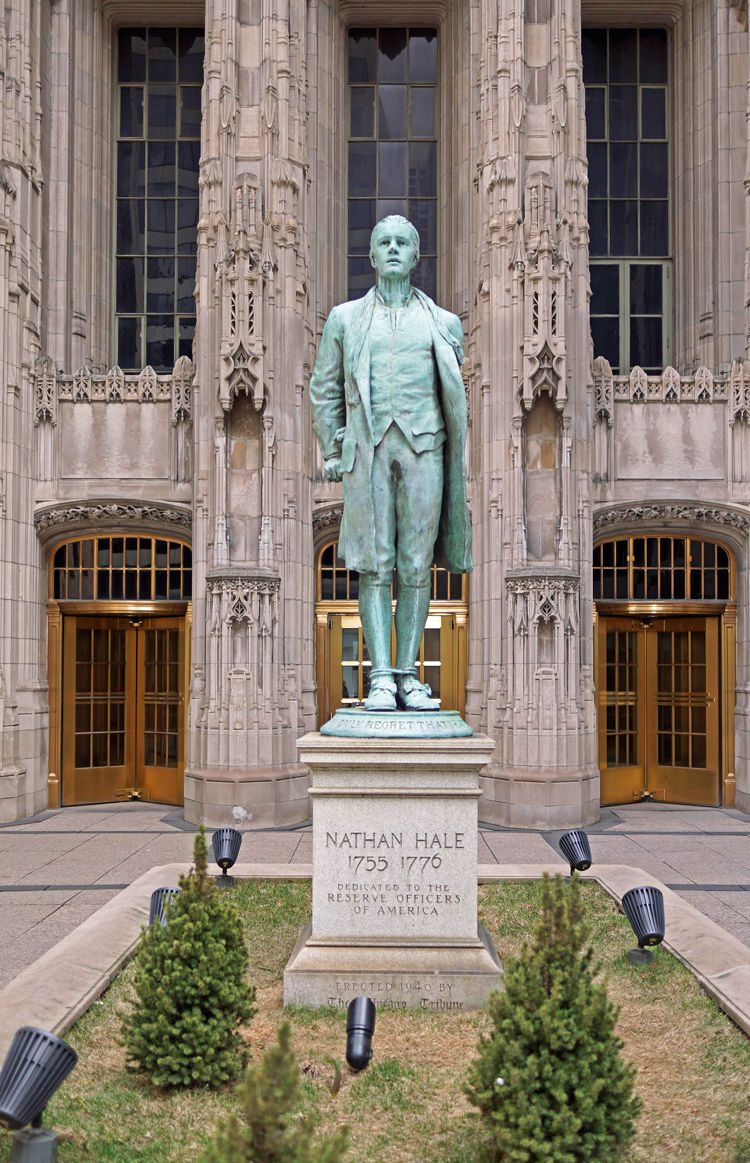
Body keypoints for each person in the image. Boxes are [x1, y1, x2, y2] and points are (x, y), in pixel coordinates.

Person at [309, 215, 472, 711]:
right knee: (375, 565)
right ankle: (380, 676)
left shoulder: (444, 323)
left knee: (417, 567)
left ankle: (407, 675)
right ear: (373, 256)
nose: (394, 249)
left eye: (404, 242)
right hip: (370, 450)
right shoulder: (345, 318)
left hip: (426, 450)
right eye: (385, 242)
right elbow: (325, 388)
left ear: (416, 256)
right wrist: (332, 451)